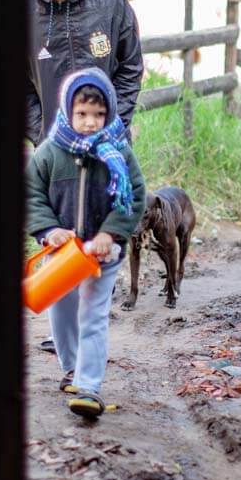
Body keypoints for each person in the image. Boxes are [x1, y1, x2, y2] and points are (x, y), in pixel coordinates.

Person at [24, 67, 146, 419]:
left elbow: (135, 196)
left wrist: (110, 233)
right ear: (67, 111)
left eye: (98, 114)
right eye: (82, 113)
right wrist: (49, 230)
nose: (90, 122)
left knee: (93, 315)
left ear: (108, 113)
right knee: (61, 311)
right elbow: (32, 194)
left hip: (102, 253)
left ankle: (89, 387)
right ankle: (72, 368)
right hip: (62, 253)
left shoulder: (118, 152)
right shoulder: (50, 152)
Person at [26, 0, 143, 146]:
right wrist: (41, 132)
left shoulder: (111, 5)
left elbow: (130, 68)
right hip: (52, 147)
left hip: (107, 141)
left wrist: (112, 124)